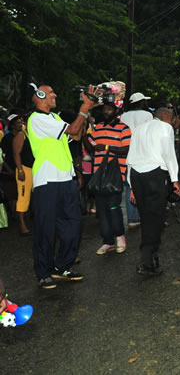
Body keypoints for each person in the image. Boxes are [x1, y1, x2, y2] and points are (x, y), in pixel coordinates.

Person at [28, 84, 100, 289]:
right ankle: (44, 272)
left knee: (73, 225)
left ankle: (63, 266)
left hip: (65, 180)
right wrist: (84, 107)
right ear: (39, 96)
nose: (55, 94)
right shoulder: (37, 119)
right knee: (45, 229)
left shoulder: (55, 118)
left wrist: (87, 111)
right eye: (51, 92)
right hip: (47, 181)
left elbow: (76, 136)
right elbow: (74, 129)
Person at [126, 107, 180, 275]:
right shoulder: (165, 128)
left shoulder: (138, 129)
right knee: (156, 218)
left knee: (146, 217)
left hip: (137, 176)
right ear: (165, 116)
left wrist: (131, 187)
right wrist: (175, 180)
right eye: (172, 118)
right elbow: (169, 154)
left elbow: (130, 157)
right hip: (154, 175)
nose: (173, 121)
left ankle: (149, 256)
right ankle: (147, 260)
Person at [85, 100, 132, 255]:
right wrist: (84, 132)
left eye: (109, 109)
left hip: (116, 175)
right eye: (104, 109)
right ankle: (107, 241)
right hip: (99, 175)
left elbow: (126, 149)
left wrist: (106, 147)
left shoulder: (123, 128)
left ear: (116, 111)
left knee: (113, 207)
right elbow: (90, 147)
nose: (105, 111)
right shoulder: (97, 128)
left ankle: (120, 237)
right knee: (102, 210)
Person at [121, 92, 152, 228]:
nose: (146, 103)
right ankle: (145, 216)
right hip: (143, 153)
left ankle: (132, 219)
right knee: (145, 184)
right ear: (140, 102)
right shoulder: (148, 115)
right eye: (144, 101)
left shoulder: (124, 115)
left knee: (130, 184)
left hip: (126, 152)